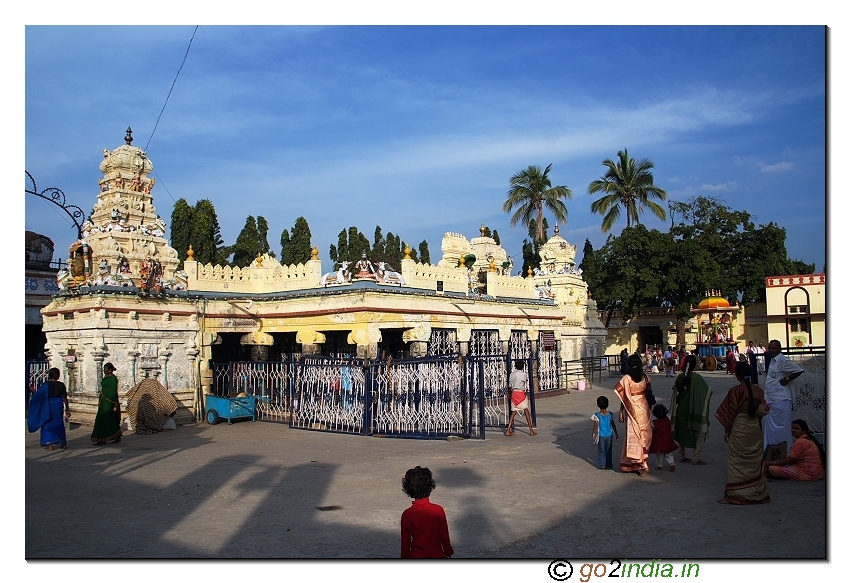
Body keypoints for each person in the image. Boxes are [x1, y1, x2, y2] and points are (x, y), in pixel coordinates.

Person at [714, 363, 771, 504]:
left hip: (739, 428)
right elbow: (762, 409)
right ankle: (757, 494)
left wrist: (727, 430)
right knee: (755, 461)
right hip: (754, 429)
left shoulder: (736, 391)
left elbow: (729, 412)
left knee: (736, 462)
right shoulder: (758, 390)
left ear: (736, 375)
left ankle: (736, 495)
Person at [400, 466, 454, 558]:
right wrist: (448, 552)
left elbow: (406, 542)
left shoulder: (407, 514)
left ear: (408, 489)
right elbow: (444, 536)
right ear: (430, 487)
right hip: (436, 555)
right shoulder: (438, 510)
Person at [671, 354, 713, 465]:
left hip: (682, 409)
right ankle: (696, 457)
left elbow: (676, 391)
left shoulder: (680, 377)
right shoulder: (697, 378)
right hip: (695, 409)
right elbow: (707, 391)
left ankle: (682, 456)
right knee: (699, 432)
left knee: (681, 433)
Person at [762, 340, 804, 451]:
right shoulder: (773, 360)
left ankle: (784, 454)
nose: (771, 350)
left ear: (779, 349)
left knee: (782, 430)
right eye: (769, 348)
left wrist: (787, 379)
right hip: (771, 400)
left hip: (781, 400)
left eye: (773, 348)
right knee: (772, 430)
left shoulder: (782, 360)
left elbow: (799, 370)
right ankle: (771, 454)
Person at [615, 355, 652, 476]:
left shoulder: (627, 378)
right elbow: (649, 393)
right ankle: (643, 461)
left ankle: (640, 463)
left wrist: (621, 411)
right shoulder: (646, 377)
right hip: (644, 408)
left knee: (634, 436)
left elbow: (624, 396)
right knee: (644, 435)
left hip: (632, 410)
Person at [27, 367, 70, 450]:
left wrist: (33, 390)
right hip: (58, 404)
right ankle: (63, 443)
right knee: (59, 423)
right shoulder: (61, 385)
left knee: (47, 423)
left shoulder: (46, 385)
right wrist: (67, 409)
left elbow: (39, 396)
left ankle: (49, 445)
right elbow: (65, 398)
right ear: (57, 375)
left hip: (48, 405)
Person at [91, 362, 122, 445]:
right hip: (103, 401)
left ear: (110, 370)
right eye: (104, 369)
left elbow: (112, 391)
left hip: (109, 402)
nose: (104, 371)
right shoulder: (106, 378)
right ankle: (101, 438)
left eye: (106, 369)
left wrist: (106, 394)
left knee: (109, 418)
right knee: (101, 419)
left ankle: (117, 435)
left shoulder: (113, 379)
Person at [505, 360, 536, 436]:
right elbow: (525, 382)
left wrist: (509, 394)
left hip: (514, 393)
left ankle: (508, 429)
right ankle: (531, 430)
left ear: (515, 366)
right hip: (521, 393)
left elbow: (509, 386)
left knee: (514, 411)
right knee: (526, 411)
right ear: (523, 366)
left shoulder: (512, 374)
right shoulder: (524, 374)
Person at [592, 396, 619, 469]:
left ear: (598, 405)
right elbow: (613, 424)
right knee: (609, 450)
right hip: (609, 435)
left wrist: (594, 433)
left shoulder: (596, 415)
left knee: (601, 451)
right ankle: (609, 464)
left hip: (601, 435)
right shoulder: (610, 414)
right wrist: (616, 432)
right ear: (608, 404)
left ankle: (602, 465)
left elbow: (596, 425)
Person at [649, 403, 678, 472]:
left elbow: (650, 427)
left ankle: (660, 465)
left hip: (659, 443)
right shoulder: (667, 419)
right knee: (668, 454)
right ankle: (672, 463)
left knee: (659, 454)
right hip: (668, 441)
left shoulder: (654, 423)